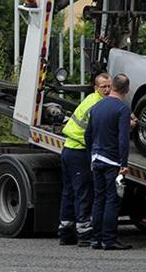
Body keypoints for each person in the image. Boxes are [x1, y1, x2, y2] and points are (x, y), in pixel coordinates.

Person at [58, 72, 111, 246]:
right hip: (78, 150)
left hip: (69, 149)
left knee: (69, 191)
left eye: (109, 86)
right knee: (83, 192)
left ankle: (66, 231)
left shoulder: (91, 99)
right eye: (103, 86)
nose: (107, 89)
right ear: (96, 88)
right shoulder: (97, 104)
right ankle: (83, 233)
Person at [85, 73, 132, 250]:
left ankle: (95, 240)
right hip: (112, 161)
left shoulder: (96, 107)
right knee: (112, 200)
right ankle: (109, 240)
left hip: (96, 158)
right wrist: (124, 163)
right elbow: (123, 139)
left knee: (98, 199)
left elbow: (87, 134)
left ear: (112, 86)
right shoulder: (122, 109)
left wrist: (92, 154)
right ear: (127, 90)